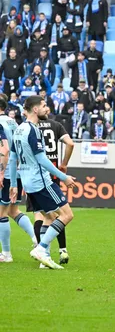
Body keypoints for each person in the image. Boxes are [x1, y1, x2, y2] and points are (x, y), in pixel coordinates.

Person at [9, 95, 77, 269]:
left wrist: (14, 185)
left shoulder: (18, 129)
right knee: (67, 215)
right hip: (41, 181)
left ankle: (44, 258)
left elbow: (13, 158)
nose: (47, 108)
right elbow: (42, 160)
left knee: (48, 217)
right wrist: (64, 177)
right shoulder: (33, 130)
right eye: (44, 105)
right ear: (35, 109)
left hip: (28, 182)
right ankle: (41, 248)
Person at [27, 105, 75, 266]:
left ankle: (43, 254)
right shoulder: (56, 125)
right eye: (44, 106)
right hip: (49, 175)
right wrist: (64, 165)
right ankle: (58, 249)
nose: (46, 109)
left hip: (32, 176)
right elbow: (70, 144)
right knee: (61, 214)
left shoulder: (28, 128)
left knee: (43, 216)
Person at [0, 97, 37, 263]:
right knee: (13, 211)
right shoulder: (13, 122)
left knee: (1, 213)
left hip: (7, 173)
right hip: (18, 172)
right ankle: (36, 239)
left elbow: (5, 149)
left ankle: (6, 254)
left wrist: (1, 173)